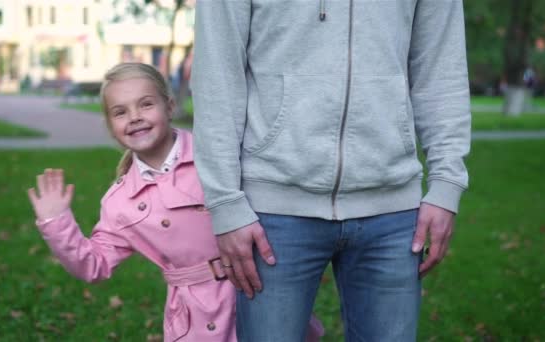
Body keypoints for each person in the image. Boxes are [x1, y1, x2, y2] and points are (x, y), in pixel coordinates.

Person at [191, 1, 471, 341]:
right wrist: (225, 204)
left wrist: (446, 185)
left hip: (393, 213)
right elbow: (217, 76)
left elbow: (441, 69)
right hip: (272, 211)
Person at [26, 63, 323, 342]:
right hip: (198, 317)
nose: (135, 117)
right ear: (110, 126)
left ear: (169, 106)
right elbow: (95, 265)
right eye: (120, 112)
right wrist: (57, 223)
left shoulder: (215, 155)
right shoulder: (121, 202)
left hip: (258, 286)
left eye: (146, 104)